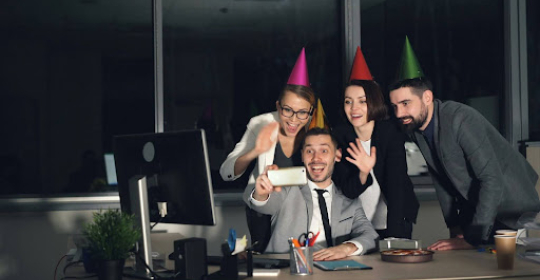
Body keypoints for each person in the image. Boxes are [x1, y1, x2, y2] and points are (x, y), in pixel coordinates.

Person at [388, 37, 540, 250]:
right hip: (478, 208)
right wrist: (456, 227)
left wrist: (472, 238)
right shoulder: (417, 130)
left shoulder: (460, 119)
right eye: (394, 106)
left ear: (427, 98)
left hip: (510, 207)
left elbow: (492, 180)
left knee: (502, 269)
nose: (399, 113)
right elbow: (442, 182)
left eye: (405, 103)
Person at [220, 48, 316, 253]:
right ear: (278, 106)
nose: (293, 119)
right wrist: (256, 151)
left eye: (302, 113)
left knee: (301, 260)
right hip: (262, 207)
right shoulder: (261, 123)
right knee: (265, 263)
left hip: (301, 208)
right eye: (287, 110)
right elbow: (226, 172)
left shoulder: (318, 132)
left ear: (310, 113)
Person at [244, 128, 378, 260]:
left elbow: (370, 235)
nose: (316, 158)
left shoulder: (349, 200)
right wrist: (261, 193)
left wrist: (346, 248)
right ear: (302, 155)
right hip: (288, 271)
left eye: (324, 151)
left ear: (337, 155)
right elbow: (264, 205)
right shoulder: (287, 190)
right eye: (309, 151)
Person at [332, 46, 419, 239]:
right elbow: (348, 191)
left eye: (362, 101)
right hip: (356, 225)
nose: (354, 108)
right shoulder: (340, 137)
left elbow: (397, 188)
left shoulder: (390, 133)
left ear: (374, 102)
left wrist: (395, 239)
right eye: (348, 101)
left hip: (395, 219)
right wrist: (363, 172)